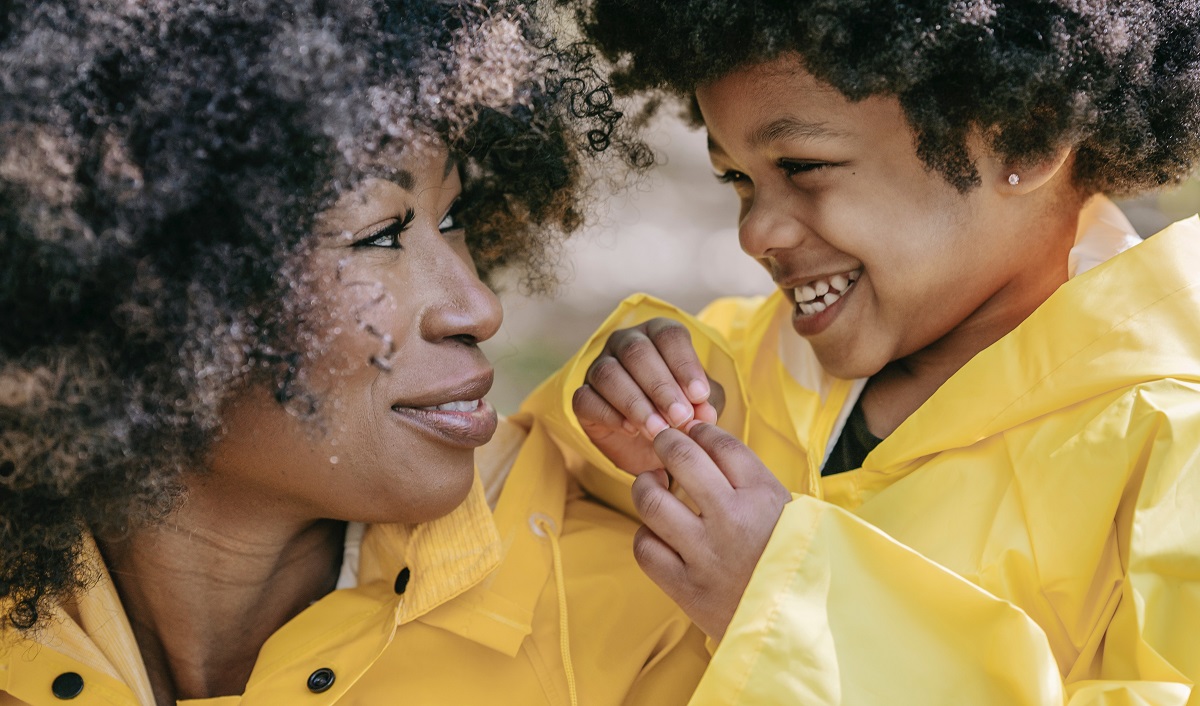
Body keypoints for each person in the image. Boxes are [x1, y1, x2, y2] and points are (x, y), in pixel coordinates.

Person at [0, 2, 707, 704]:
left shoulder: (629, 623)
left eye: (453, 218)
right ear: (145, 299)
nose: (478, 307)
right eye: (378, 235)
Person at [520, 1, 1200, 703]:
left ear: (1024, 140)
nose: (755, 233)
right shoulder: (741, 363)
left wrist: (791, 607)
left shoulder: (1172, 440)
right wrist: (612, 423)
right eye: (738, 179)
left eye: (804, 166)